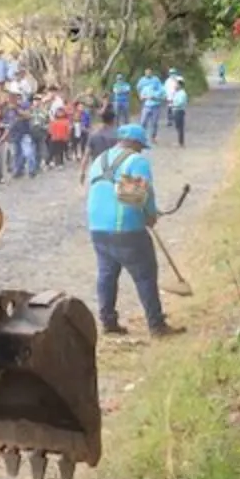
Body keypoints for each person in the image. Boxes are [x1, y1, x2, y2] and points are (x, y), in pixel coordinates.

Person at [85, 124, 185, 338]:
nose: (141, 151)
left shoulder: (100, 160)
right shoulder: (135, 161)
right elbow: (139, 194)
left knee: (106, 274)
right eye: (141, 146)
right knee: (145, 275)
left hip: (97, 226)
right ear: (135, 143)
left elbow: (109, 191)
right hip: (126, 229)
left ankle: (108, 322)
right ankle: (157, 325)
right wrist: (150, 215)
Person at [79, 108, 118, 186]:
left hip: (97, 169)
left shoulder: (93, 135)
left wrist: (82, 173)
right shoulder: (118, 136)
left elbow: (86, 156)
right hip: (113, 171)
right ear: (113, 120)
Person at [136, 68, 164, 142]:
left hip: (156, 105)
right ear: (145, 73)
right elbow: (139, 89)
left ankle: (153, 137)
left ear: (151, 73)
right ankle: (141, 137)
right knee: (143, 122)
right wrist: (141, 96)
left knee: (154, 123)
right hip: (146, 106)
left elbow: (161, 91)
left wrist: (155, 96)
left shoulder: (156, 80)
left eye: (149, 72)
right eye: (146, 73)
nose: (148, 74)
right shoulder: (142, 82)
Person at [171, 79, 188, 148]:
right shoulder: (177, 92)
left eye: (176, 84)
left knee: (180, 127)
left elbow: (180, 103)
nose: (175, 86)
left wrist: (174, 105)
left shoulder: (182, 93)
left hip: (179, 111)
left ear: (180, 85)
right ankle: (180, 142)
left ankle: (181, 143)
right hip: (176, 110)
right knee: (178, 127)